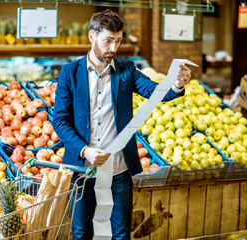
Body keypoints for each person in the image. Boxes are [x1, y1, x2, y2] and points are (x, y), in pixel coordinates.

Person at [52, 9, 191, 240]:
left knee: (120, 234)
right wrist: (84, 150)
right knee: (80, 233)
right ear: (92, 37)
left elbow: (153, 91)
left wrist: (175, 85)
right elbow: (60, 120)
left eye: (117, 41)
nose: (113, 48)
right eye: (108, 41)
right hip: (82, 170)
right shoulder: (70, 72)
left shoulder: (127, 69)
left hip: (118, 170)